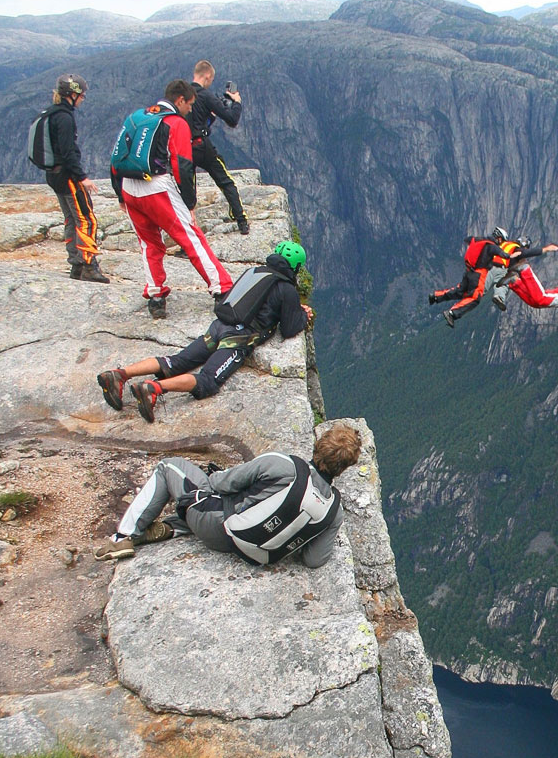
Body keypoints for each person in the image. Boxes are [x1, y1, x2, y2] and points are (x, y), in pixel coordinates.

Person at [96, 239, 312, 423]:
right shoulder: (286, 289)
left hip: (217, 327)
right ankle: (154, 389)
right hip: (236, 339)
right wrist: (303, 314)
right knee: (207, 381)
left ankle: (120, 374)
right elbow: (290, 328)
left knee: (176, 362)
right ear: (295, 267)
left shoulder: (254, 272)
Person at [93, 421, 362, 566]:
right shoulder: (333, 510)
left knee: (169, 468)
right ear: (345, 468)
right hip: (255, 552)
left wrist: (212, 475)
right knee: (214, 504)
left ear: (317, 447)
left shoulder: (283, 464)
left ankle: (123, 537)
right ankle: (173, 528)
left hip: (217, 525)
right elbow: (315, 560)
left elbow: (223, 483)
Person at [112, 78, 233, 319]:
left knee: (149, 243)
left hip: (128, 186)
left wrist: (120, 195)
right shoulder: (175, 123)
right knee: (190, 237)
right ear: (179, 100)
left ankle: (156, 295)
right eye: (189, 104)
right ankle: (222, 289)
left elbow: (117, 154)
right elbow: (183, 165)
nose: (190, 109)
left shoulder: (137, 116)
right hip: (157, 187)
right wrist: (189, 203)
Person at [43, 73, 109, 283]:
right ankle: (89, 265)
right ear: (72, 94)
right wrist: (82, 177)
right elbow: (68, 151)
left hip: (54, 175)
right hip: (68, 176)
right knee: (86, 219)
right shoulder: (64, 118)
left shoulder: (52, 114)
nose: (82, 99)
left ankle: (76, 264)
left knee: (71, 219)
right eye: (81, 95)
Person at [428, 228, 558, 325]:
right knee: (502, 282)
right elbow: (529, 253)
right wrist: (545, 249)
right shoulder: (517, 248)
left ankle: (437, 296)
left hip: (484, 269)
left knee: (465, 291)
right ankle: (498, 296)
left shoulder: (502, 244)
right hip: (498, 269)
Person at [190, 61, 249, 234]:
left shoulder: (180, 95)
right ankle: (241, 221)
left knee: (188, 190)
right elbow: (232, 119)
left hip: (182, 148)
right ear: (207, 76)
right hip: (202, 145)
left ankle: (189, 236)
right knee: (225, 181)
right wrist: (236, 102)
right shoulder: (206, 96)